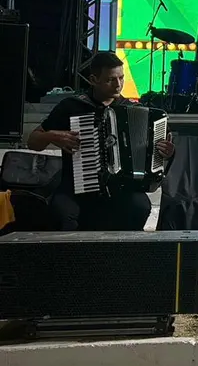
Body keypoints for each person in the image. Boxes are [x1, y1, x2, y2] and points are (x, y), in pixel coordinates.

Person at [27, 51, 175, 231]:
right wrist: (51, 136)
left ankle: (119, 256)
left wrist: (166, 153)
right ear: (93, 79)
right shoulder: (72, 106)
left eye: (121, 78)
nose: (118, 84)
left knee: (140, 206)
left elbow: (155, 157)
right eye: (110, 80)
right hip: (75, 187)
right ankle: (68, 258)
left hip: (121, 188)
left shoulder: (132, 109)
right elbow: (32, 142)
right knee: (62, 212)